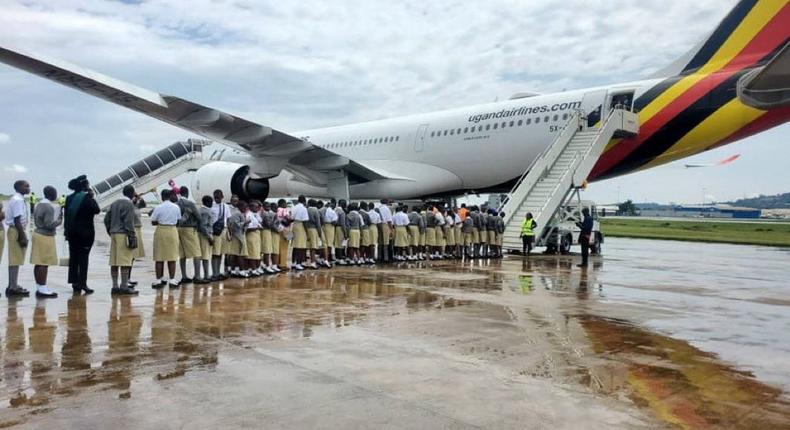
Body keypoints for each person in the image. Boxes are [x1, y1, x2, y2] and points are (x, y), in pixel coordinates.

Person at [64, 175, 101, 294]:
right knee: (83, 259)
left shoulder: (69, 198)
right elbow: (97, 210)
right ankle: (82, 283)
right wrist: (92, 196)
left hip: (72, 233)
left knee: (74, 257)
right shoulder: (87, 197)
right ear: (85, 186)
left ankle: (74, 282)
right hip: (85, 234)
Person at [103, 185, 139, 296]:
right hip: (123, 234)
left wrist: (110, 230)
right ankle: (124, 286)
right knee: (125, 261)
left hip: (114, 234)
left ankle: (114, 286)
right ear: (132, 194)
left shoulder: (114, 203)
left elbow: (106, 219)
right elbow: (128, 222)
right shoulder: (129, 204)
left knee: (114, 261)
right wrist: (132, 235)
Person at [31, 186, 62, 298]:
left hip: (37, 233)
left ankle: (40, 287)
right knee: (44, 263)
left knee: (38, 262)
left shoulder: (39, 204)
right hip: (45, 236)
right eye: (55, 193)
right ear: (51, 194)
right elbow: (49, 224)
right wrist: (59, 221)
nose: (56, 195)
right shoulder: (48, 207)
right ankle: (43, 288)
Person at [150, 189, 181, 288]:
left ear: (162, 197)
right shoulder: (176, 207)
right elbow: (178, 221)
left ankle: (159, 279)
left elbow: (153, 221)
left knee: (159, 257)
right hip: (172, 231)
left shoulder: (158, 207)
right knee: (172, 256)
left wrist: (160, 221)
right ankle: (172, 280)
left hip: (161, 230)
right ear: (170, 196)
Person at [6, 180, 32, 296]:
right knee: (15, 259)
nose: (28, 188)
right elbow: (17, 220)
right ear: (19, 187)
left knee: (15, 258)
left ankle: (13, 284)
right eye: (26, 186)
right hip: (17, 230)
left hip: (17, 229)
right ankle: (13, 287)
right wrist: (22, 236)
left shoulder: (18, 199)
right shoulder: (17, 200)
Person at [175, 186, 201, 284]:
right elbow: (199, 217)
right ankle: (197, 276)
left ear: (180, 193)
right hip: (189, 229)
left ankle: (184, 276)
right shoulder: (190, 204)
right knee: (196, 253)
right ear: (187, 193)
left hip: (178, 229)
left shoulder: (176, 204)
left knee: (182, 254)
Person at [209, 190, 231, 281]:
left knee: (221, 253)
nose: (217, 198)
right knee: (215, 253)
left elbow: (228, 220)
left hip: (224, 231)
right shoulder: (211, 206)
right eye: (215, 197)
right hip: (216, 232)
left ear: (222, 196)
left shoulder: (226, 206)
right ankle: (214, 273)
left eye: (218, 196)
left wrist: (229, 233)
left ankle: (218, 272)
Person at [227, 200, 250, 277]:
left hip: (240, 235)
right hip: (237, 236)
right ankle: (241, 270)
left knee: (235, 254)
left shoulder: (240, 214)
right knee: (240, 254)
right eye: (244, 207)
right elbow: (236, 225)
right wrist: (246, 223)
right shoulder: (236, 214)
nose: (246, 208)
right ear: (240, 207)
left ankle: (233, 270)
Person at [196, 195, 215, 283]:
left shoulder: (199, 210)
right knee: (205, 256)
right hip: (205, 235)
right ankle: (206, 275)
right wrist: (209, 237)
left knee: (201, 255)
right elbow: (203, 226)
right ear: (207, 202)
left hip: (200, 234)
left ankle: (201, 275)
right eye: (211, 202)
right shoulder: (206, 212)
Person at [244, 200, 263, 276]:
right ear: (251, 207)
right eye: (256, 206)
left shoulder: (256, 214)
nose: (257, 208)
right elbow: (247, 228)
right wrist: (256, 228)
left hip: (257, 236)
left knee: (257, 253)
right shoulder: (248, 215)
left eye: (258, 207)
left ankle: (256, 268)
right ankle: (253, 269)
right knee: (252, 254)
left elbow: (260, 222)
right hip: (251, 236)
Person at [290, 195, 309, 270]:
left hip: (294, 225)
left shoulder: (294, 207)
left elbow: (291, 218)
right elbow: (305, 222)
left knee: (295, 246)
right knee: (300, 246)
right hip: (300, 226)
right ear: (304, 201)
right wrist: (307, 232)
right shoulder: (303, 208)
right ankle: (298, 263)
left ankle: (293, 263)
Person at [378, 198, 393, 263]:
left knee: (380, 242)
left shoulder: (379, 208)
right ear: (386, 202)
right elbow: (389, 220)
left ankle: (379, 257)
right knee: (386, 242)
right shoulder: (387, 209)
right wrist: (391, 229)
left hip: (379, 225)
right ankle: (386, 258)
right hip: (385, 225)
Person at [334, 199, 348, 265]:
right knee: (340, 244)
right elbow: (343, 223)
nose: (345, 205)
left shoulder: (335, 210)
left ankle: (337, 258)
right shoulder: (342, 212)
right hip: (340, 228)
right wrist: (345, 233)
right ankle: (340, 259)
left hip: (336, 228)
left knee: (337, 244)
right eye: (345, 203)